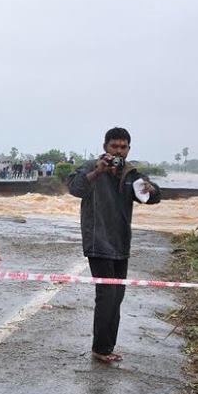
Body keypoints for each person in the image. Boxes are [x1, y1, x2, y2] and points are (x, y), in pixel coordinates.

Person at [68, 127, 161, 363]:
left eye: (123, 147)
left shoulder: (131, 174)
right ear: (105, 147)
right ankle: (101, 349)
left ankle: (107, 347)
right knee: (107, 295)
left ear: (129, 149)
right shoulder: (91, 167)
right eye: (114, 146)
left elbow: (152, 197)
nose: (118, 151)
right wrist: (97, 172)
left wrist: (152, 189)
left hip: (121, 243)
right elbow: (75, 188)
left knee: (117, 295)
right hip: (97, 241)